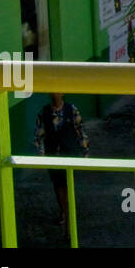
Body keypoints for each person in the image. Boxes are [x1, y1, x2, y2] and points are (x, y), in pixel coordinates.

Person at [34, 93, 89, 232]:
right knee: (58, 187)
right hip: (53, 155)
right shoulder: (44, 112)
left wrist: (85, 151)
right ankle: (65, 212)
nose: (55, 95)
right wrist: (41, 155)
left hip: (69, 154)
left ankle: (69, 222)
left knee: (67, 186)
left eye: (57, 92)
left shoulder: (72, 109)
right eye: (52, 92)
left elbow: (80, 130)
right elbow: (39, 135)